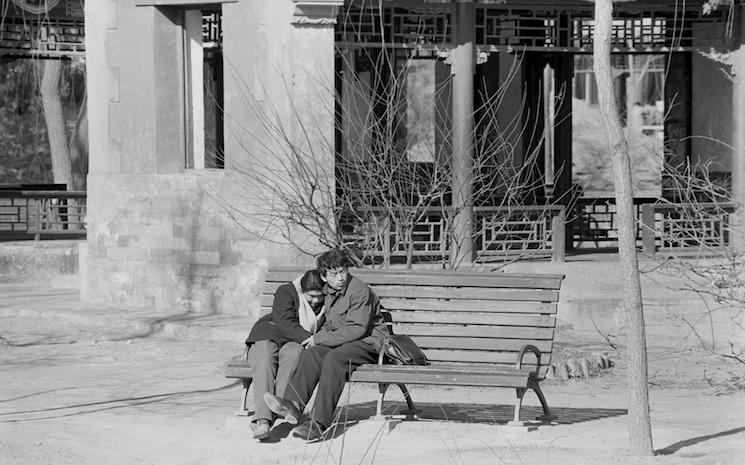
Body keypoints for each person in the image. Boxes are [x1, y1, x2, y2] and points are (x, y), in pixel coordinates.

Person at [263, 248, 389, 442]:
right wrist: (315, 340)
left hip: (369, 342)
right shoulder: (330, 292)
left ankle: (318, 423)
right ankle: (294, 405)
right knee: (311, 354)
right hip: (345, 341)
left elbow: (357, 330)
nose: (340, 277)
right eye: (334, 274)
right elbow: (331, 325)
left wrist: (318, 339)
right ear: (324, 276)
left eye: (343, 271)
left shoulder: (360, 291)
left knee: (334, 359)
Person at [244, 269, 325, 440]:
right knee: (264, 360)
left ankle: (280, 408)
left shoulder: (326, 304)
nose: (316, 300)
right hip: (269, 332)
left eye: (320, 296)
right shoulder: (286, 292)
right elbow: (284, 323)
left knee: (295, 356)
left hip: (293, 341)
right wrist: (312, 338)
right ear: (303, 291)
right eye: (311, 296)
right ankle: (263, 421)